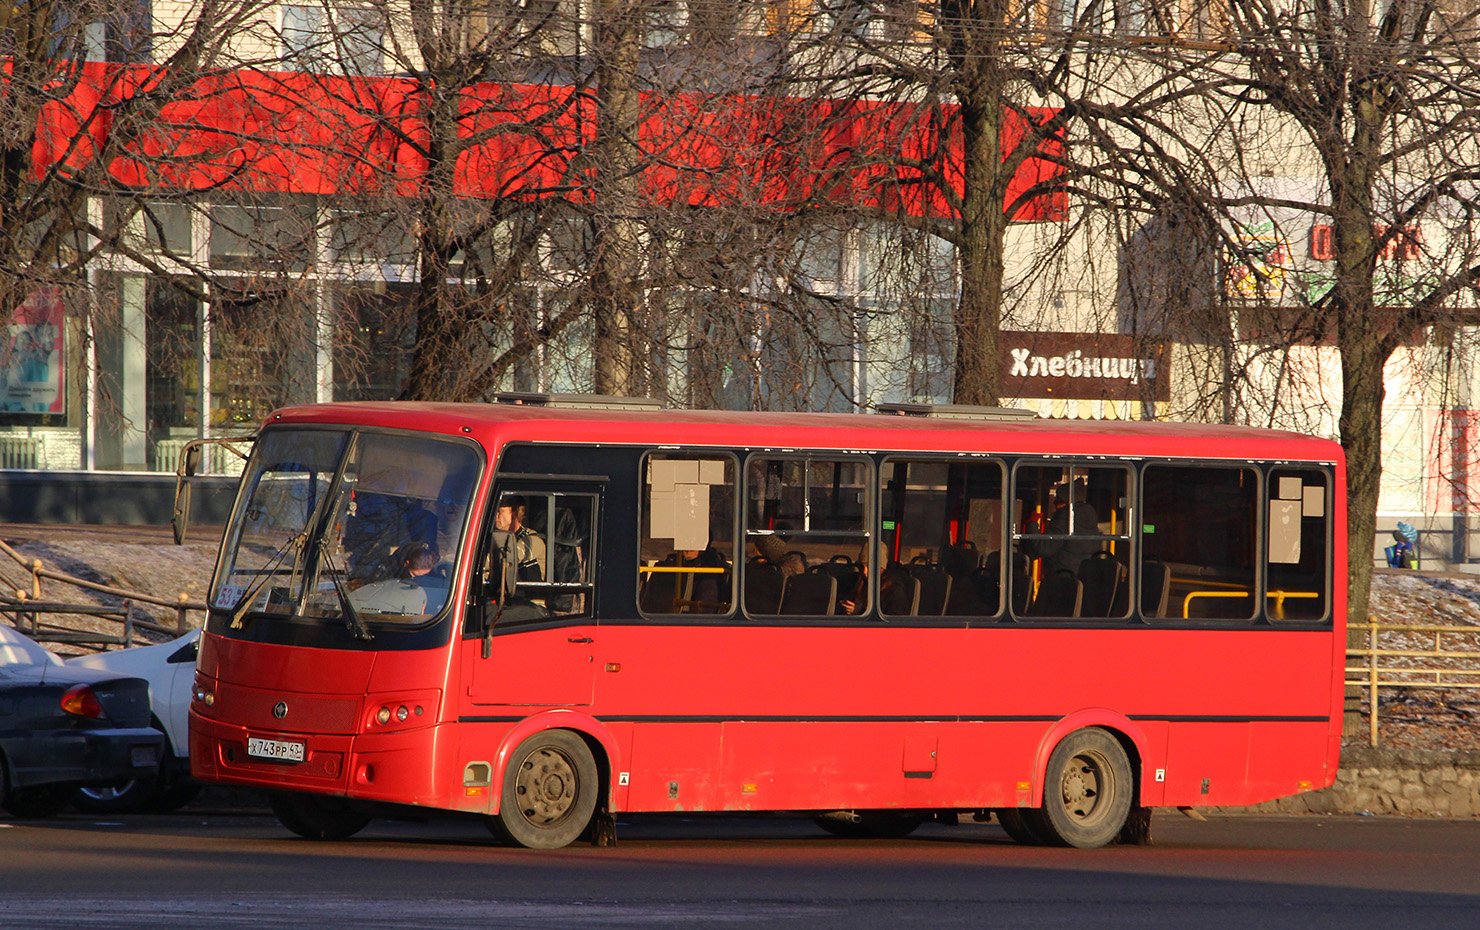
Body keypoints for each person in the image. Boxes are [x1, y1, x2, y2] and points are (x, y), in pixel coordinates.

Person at [1027, 480, 1100, 615]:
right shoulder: (1089, 522)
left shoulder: (1065, 519)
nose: (1054, 505)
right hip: (1080, 583)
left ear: (1067, 502)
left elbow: (1043, 547)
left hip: (1061, 584)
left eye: (1057, 501)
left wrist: (1032, 523)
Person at [494, 496, 546, 582]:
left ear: (515, 513)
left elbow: (510, 558)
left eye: (500, 511)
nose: (496, 516)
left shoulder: (532, 540)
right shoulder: (503, 538)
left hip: (529, 594)